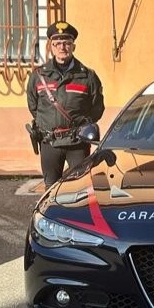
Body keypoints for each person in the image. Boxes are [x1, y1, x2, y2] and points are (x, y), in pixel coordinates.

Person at [26, 20, 105, 187]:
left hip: (77, 143)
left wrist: (82, 124)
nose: (62, 47)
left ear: (73, 47)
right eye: (58, 43)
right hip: (50, 141)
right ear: (51, 47)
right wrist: (48, 123)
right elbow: (33, 105)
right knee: (51, 188)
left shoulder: (87, 76)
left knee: (80, 187)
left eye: (67, 43)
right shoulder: (38, 75)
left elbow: (97, 107)